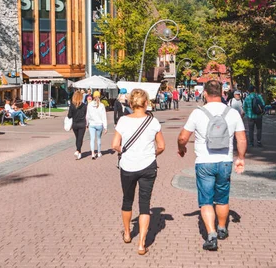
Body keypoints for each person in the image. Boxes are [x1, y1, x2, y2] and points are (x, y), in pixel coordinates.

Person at [177, 80, 246, 251]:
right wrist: (241, 158)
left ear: (205, 93)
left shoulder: (198, 113)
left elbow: (183, 137)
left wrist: (182, 148)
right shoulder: (232, 113)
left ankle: (211, 235)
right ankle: (222, 228)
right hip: (225, 161)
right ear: (223, 93)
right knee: (222, 198)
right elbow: (242, 139)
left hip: (204, 162)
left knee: (206, 201)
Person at [112, 89, 165, 256]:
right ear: (146, 103)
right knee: (144, 205)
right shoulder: (153, 122)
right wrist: (151, 154)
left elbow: (115, 145)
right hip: (148, 166)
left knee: (127, 200)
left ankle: (127, 233)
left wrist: (125, 151)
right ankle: (141, 244)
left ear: (130, 103)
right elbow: (162, 146)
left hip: (127, 166)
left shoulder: (122, 121)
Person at [86, 90, 107, 159]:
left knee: (92, 139)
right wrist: (105, 127)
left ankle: (92, 153)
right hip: (99, 124)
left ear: (93, 96)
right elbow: (104, 116)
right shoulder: (101, 105)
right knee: (98, 138)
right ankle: (99, 152)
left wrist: (87, 123)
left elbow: (87, 115)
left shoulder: (89, 104)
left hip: (91, 124)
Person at [68, 91, 88, 159]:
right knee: (80, 138)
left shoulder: (72, 105)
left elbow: (69, 115)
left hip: (75, 124)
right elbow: (86, 114)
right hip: (82, 124)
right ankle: (78, 150)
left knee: (78, 138)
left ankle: (78, 151)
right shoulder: (84, 106)